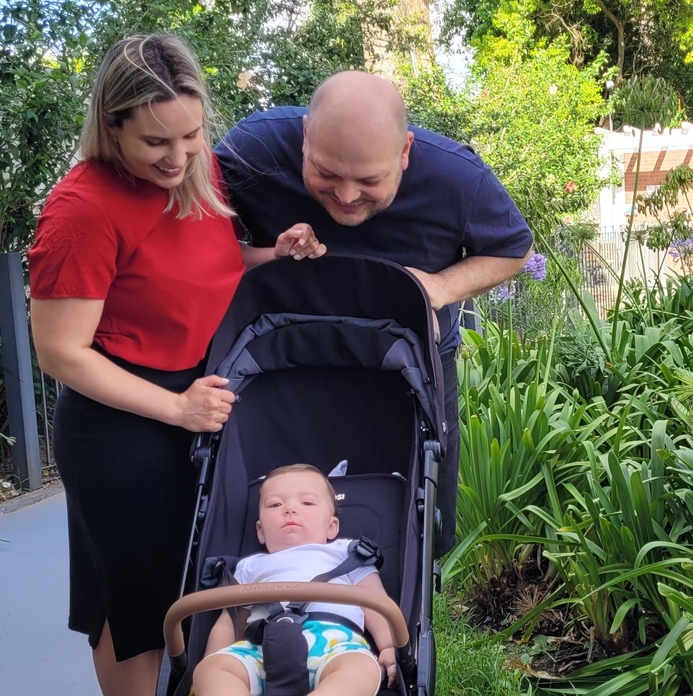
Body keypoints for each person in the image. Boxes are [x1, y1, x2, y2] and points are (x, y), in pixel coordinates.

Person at [28, 34, 326, 696]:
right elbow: (59, 349)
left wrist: (275, 254)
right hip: (121, 425)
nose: (179, 154)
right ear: (112, 127)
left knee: (196, 586)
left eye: (191, 134)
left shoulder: (199, 171)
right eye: (156, 142)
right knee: (134, 606)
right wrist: (176, 407)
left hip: (198, 401)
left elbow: (205, 273)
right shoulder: (82, 210)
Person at [214, 71, 533, 557]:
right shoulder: (249, 153)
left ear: (405, 152)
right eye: (325, 174)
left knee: (422, 521)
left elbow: (514, 247)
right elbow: (198, 246)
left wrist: (440, 286)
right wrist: (265, 253)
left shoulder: (458, 179)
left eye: (369, 180)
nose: (345, 196)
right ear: (305, 138)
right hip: (281, 363)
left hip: (410, 363)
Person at [194, 464, 397, 696]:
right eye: (275, 504)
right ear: (260, 531)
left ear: (331, 527)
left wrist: (390, 646)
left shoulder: (347, 554)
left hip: (332, 642)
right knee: (212, 671)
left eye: (307, 503)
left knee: (359, 669)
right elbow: (229, 621)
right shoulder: (249, 566)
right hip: (260, 645)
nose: (289, 509)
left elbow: (376, 602)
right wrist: (211, 659)